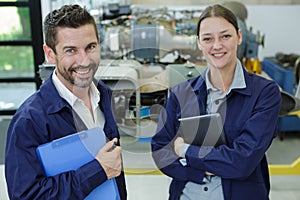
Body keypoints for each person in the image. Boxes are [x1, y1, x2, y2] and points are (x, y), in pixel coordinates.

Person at [151, 4, 281, 200]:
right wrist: (201, 171)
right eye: (208, 39)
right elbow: (161, 150)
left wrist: (184, 150)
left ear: (239, 36)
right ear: (199, 43)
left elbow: (242, 161)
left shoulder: (264, 93)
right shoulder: (181, 93)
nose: (217, 45)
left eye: (225, 36)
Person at [5, 4, 127, 199]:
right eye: (71, 51)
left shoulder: (104, 95)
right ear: (50, 54)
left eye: (90, 47)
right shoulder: (29, 120)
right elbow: (25, 196)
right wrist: (97, 171)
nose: (84, 61)